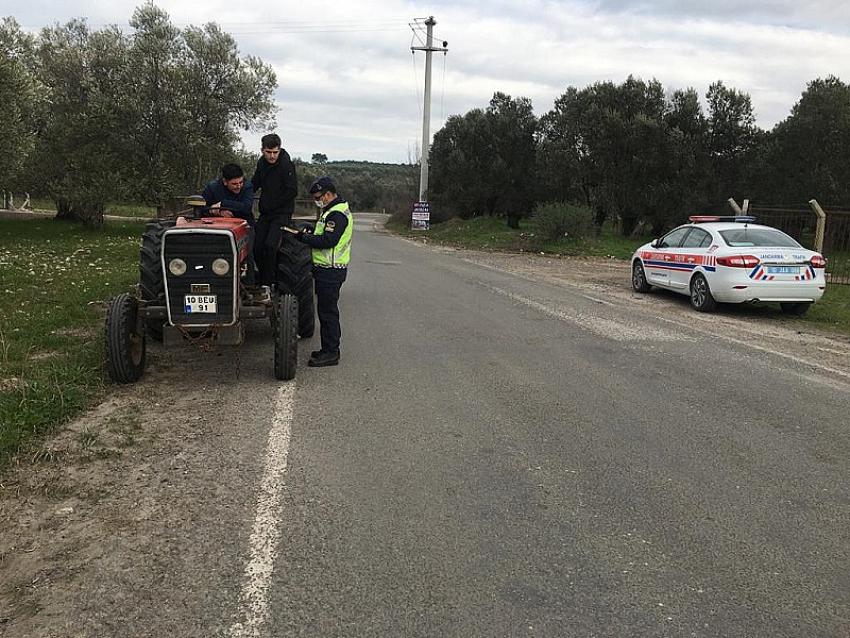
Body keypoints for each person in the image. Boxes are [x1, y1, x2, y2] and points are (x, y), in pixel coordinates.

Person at [294, 176, 352, 367]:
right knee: (325, 311)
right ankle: (327, 348)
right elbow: (322, 234)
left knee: (328, 313)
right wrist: (311, 231)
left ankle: (331, 352)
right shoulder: (331, 211)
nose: (317, 201)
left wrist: (303, 238)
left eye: (319, 197)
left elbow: (328, 241)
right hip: (326, 269)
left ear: (328, 194)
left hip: (331, 270)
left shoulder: (337, 214)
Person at [251, 133, 298, 286]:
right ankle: (263, 276)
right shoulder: (261, 164)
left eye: (275, 152)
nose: (272, 156)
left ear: (279, 150)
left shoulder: (286, 165)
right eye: (268, 152)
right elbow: (254, 183)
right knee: (256, 246)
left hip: (281, 213)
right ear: (262, 150)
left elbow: (292, 191)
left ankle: (269, 283)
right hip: (265, 213)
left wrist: (274, 204)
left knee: (270, 246)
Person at [201, 163, 256, 285]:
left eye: (240, 182)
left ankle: (249, 283)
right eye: (234, 184)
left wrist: (223, 204)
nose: (238, 186)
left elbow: (246, 208)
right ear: (225, 182)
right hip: (218, 228)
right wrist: (214, 211)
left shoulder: (247, 187)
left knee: (248, 252)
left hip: (244, 226)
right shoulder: (212, 188)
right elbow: (202, 209)